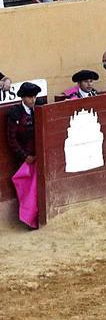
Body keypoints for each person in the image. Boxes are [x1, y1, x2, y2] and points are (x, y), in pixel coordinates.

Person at [6, 81, 39, 228]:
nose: (33, 100)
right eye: (30, 97)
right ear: (23, 98)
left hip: (38, 157)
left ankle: (38, 218)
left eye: (34, 97)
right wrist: (25, 156)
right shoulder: (15, 113)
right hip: (24, 160)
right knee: (26, 189)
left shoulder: (38, 109)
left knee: (37, 189)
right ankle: (29, 221)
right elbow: (11, 139)